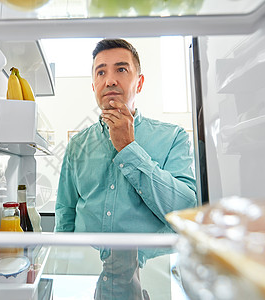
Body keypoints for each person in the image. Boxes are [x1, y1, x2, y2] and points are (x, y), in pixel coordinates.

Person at [54, 38, 197, 298]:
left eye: (121, 69)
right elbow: (65, 213)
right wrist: (61, 270)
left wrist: (128, 148)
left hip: (154, 276)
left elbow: (186, 211)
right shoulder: (77, 144)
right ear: (94, 85)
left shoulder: (174, 137)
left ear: (139, 83)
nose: (110, 80)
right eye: (101, 72)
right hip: (84, 277)